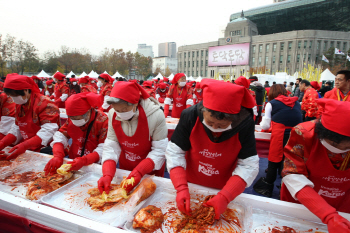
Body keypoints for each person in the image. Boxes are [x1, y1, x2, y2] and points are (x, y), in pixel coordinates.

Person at [165, 79, 259, 218]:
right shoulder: (190, 115)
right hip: (191, 184)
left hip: (225, 186)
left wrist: (226, 196)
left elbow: (248, 165)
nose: (215, 128)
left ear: (234, 119)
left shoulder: (245, 123)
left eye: (221, 126)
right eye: (210, 122)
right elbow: (175, 152)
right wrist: (180, 187)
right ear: (203, 111)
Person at [281, 99, 350, 232]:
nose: (341, 149)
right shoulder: (303, 133)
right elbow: (292, 174)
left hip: (342, 201)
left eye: (347, 147)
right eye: (334, 145)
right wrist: (328, 215)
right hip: (303, 199)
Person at [97, 81, 168, 194]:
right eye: (117, 110)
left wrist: (140, 171)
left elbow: (160, 150)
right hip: (127, 167)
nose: (120, 114)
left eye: (124, 110)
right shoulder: (112, 114)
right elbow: (111, 145)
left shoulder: (155, 115)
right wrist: (107, 173)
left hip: (150, 170)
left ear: (135, 103)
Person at [253, 84, 302, 197]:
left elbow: (265, 126)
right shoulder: (296, 102)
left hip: (280, 133)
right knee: (290, 160)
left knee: (274, 160)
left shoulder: (272, 103)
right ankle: (286, 188)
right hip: (296, 134)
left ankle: (268, 185)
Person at [44, 93, 108, 175]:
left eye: (77, 118)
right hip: (73, 160)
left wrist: (85, 160)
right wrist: (57, 155)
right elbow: (61, 135)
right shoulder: (72, 119)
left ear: (88, 112)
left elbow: (104, 147)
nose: (73, 121)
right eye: (71, 118)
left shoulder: (103, 121)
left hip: (93, 164)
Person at [0, 74, 60, 160]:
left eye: (15, 95)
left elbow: (48, 131)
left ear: (26, 90)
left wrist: (25, 145)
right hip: (30, 148)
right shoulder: (19, 105)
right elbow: (17, 127)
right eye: (10, 95)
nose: (13, 99)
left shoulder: (46, 104)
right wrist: (3, 142)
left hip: (46, 150)